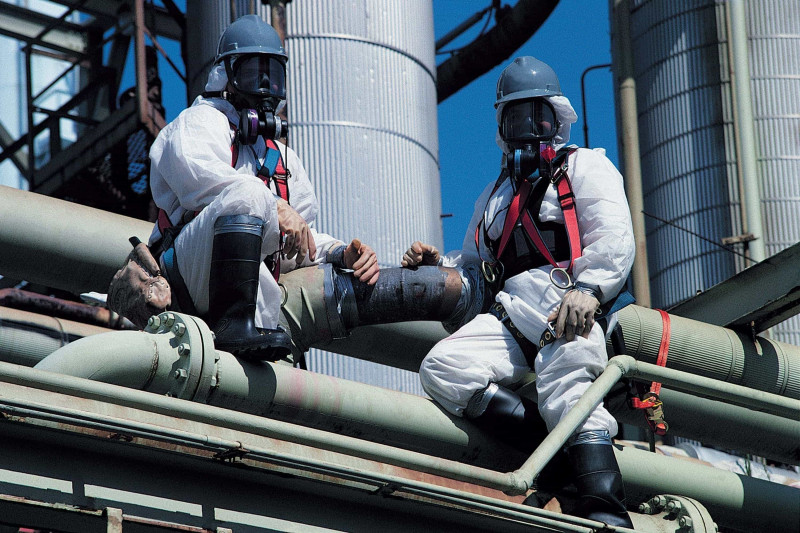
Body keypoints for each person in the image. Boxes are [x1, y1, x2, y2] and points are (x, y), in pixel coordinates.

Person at [403, 57, 635, 527]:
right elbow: (474, 265)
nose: (529, 129)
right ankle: (554, 459)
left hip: (571, 315)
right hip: (512, 318)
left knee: (571, 390)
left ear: (557, 117)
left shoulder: (585, 168)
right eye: (517, 118)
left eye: (538, 116)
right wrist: (436, 268)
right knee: (444, 368)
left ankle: (606, 510)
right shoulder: (493, 196)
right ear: (502, 126)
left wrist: (589, 289)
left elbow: (615, 238)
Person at [147, 15, 379, 362]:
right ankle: (231, 327)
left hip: (260, 301)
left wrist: (341, 254)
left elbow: (301, 239)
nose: (266, 86)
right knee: (250, 194)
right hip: (189, 279)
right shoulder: (198, 123)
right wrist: (277, 207)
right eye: (255, 73)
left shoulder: (282, 158)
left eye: (274, 76)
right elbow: (202, 185)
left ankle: (249, 327)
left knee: (257, 199)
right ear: (227, 76)